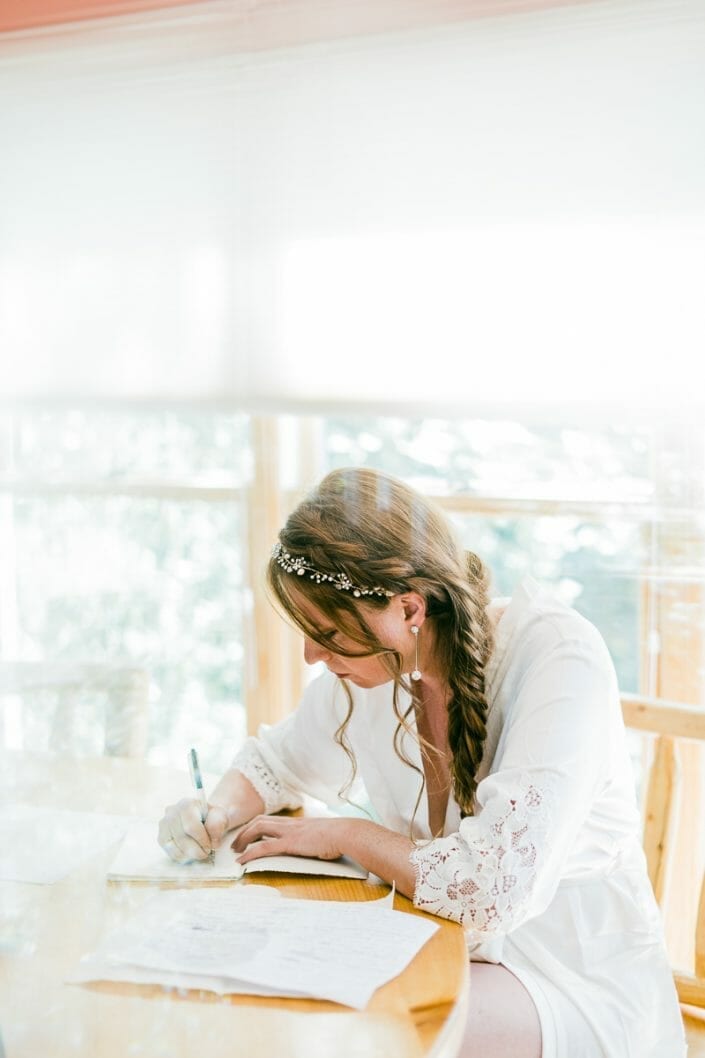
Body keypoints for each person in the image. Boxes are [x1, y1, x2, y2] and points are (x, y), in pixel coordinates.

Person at [159, 466, 686, 1058]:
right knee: (269, 995)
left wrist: (346, 835)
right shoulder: (378, 669)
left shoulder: (559, 657)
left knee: (361, 1035)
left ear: (408, 610)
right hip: (438, 943)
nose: (310, 655)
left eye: (326, 632)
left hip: (566, 977)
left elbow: (489, 890)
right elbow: (275, 762)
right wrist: (214, 811)